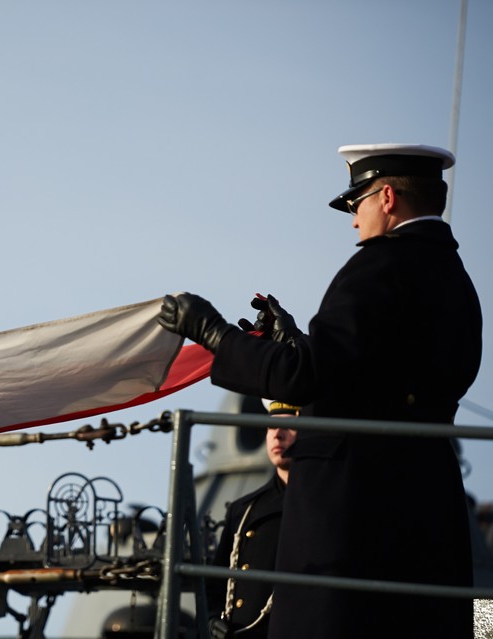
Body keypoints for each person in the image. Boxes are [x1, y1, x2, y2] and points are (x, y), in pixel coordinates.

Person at [158, 144, 481, 638]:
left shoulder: (380, 266)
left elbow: (303, 379)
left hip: (351, 525)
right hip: (425, 515)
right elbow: (375, 377)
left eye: (357, 204)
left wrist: (215, 335)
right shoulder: (457, 281)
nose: (354, 220)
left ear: (387, 196)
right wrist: (300, 343)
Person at [206, 400, 298, 639]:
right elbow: (215, 584)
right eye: (270, 426)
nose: (278, 435)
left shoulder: (326, 507)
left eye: (290, 426)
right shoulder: (243, 510)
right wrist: (212, 619)